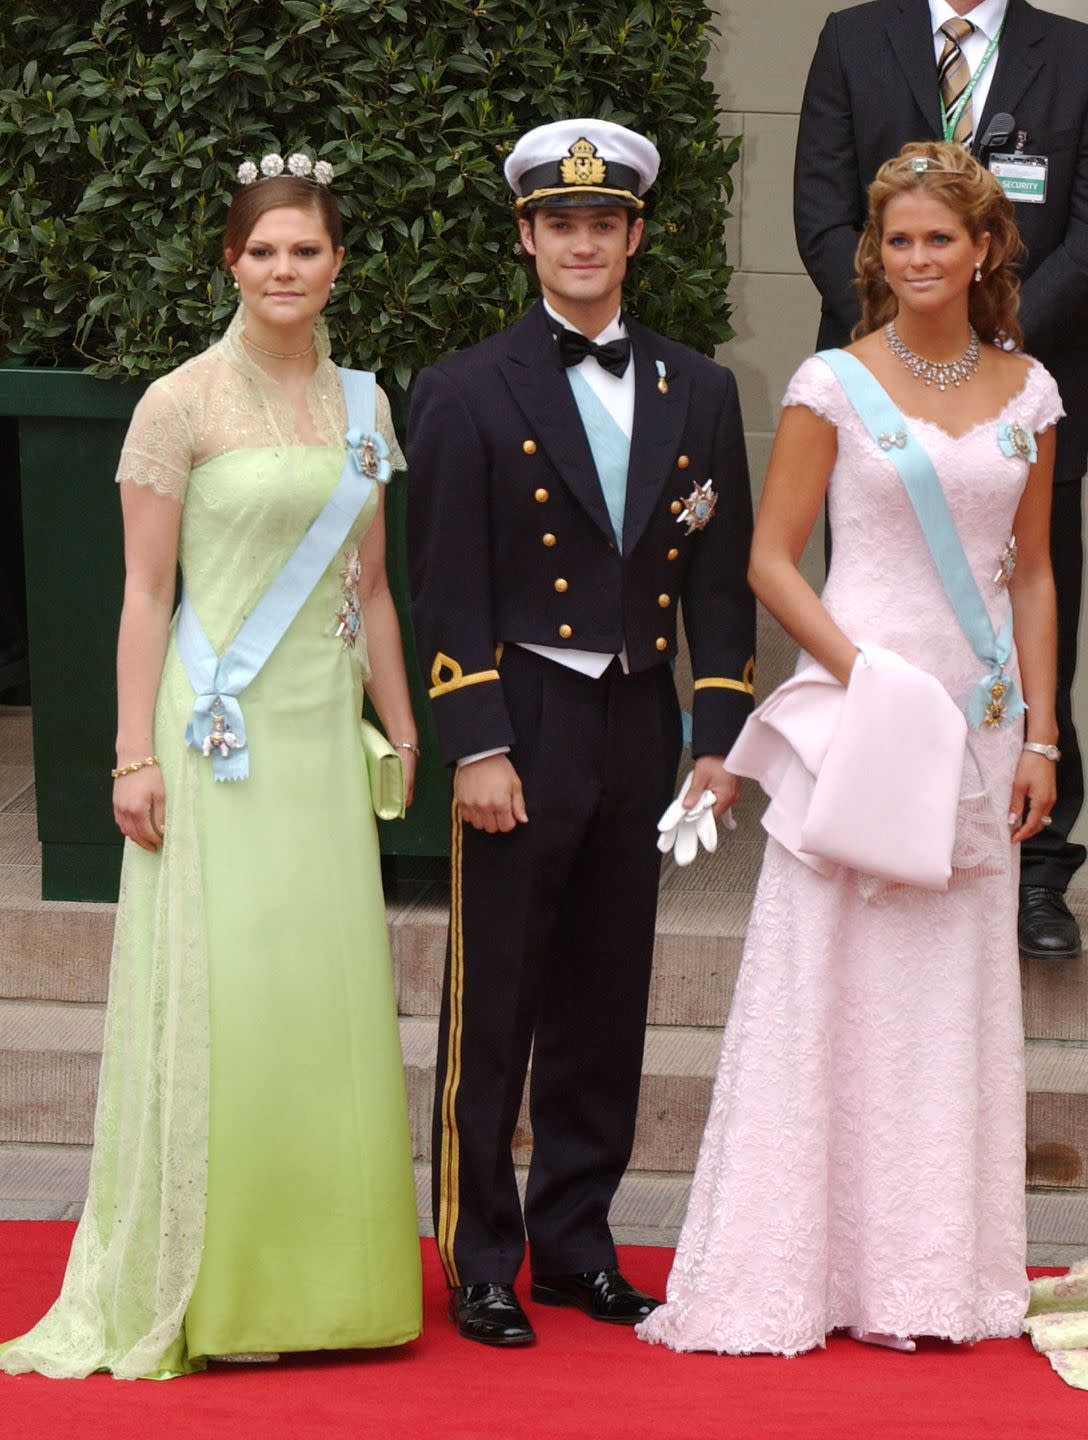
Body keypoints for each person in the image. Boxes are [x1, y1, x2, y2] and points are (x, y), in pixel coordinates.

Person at [0, 155, 422, 1379]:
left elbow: (373, 588)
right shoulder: (177, 403)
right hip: (213, 732)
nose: (284, 270)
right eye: (262, 251)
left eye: (306, 250)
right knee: (226, 992)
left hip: (315, 735)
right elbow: (142, 594)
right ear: (229, 263)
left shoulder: (365, 403)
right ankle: (213, 1283)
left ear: (338, 263)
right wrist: (129, 754)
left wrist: (396, 727)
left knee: (322, 996)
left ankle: (335, 1288)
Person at [638, 140, 1060, 1356]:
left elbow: (1030, 574)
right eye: (897, 240)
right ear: (872, 254)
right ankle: (802, 1268)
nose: (917, 258)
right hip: (864, 719)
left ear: (983, 249)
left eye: (940, 237)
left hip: (978, 732)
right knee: (832, 989)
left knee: (942, 1002)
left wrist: (1040, 732)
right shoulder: (830, 381)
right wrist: (859, 674)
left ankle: (929, 1275)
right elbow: (771, 559)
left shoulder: (1029, 390)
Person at [407, 118, 755, 1347]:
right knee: (495, 998)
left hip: (636, 717)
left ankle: (574, 1244)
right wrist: (476, 743)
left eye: (603, 224)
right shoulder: (458, 389)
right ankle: (482, 1258)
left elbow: (717, 586)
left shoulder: (698, 388)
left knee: (608, 996)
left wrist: (716, 738)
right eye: (560, 224)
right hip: (525, 712)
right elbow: (441, 583)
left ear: (634, 236)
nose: (582, 243)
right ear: (526, 238)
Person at [794, 0, 1088, 961]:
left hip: (1024, 374)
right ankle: (870, 813)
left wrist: (994, 336)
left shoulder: (1075, 50)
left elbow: (1084, 224)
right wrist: (898, 346)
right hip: (878, 396)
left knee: (1039, 592)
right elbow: (821, 207)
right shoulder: (850, 37)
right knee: (879, 592)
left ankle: (1036, 863)